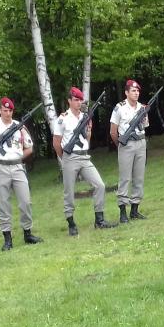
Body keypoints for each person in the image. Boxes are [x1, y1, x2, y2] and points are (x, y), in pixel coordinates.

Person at [0, 97, 43, 251]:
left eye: (10, 110)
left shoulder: (19, 126)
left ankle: (28, 233)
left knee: (25, 201)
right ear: (0, 110)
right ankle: (7, 239)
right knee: (3, 203)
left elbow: (29, 147)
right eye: (5, 110)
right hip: (0, 168)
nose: (7, 113)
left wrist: (17, 158)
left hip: (18, 167)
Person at [53, 87, 117, 236]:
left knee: (99, 185)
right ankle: (71, 223)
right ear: (69, 101)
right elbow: (56, 142)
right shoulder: (62, 119)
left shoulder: (85, 117)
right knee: (69, 191)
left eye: (80, 100)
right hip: (70, 157)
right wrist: (63, 158)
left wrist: (88, 132)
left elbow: (86, 139)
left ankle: (99, 220)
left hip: (84, 156)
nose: (78, 102)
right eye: (75, 100)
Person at [110, 79, 148, 223]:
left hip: (140, 142)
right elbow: (113, 131)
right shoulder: (119, 107)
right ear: (126, 92)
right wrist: (120, 144)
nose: (136, 93)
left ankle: (135, 209)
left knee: (139, 176)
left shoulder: (142, 108)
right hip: (126, 144)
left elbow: (145, 125)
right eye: (133, 91)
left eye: (138, 91)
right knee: (125, 178)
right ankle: (122, 211)